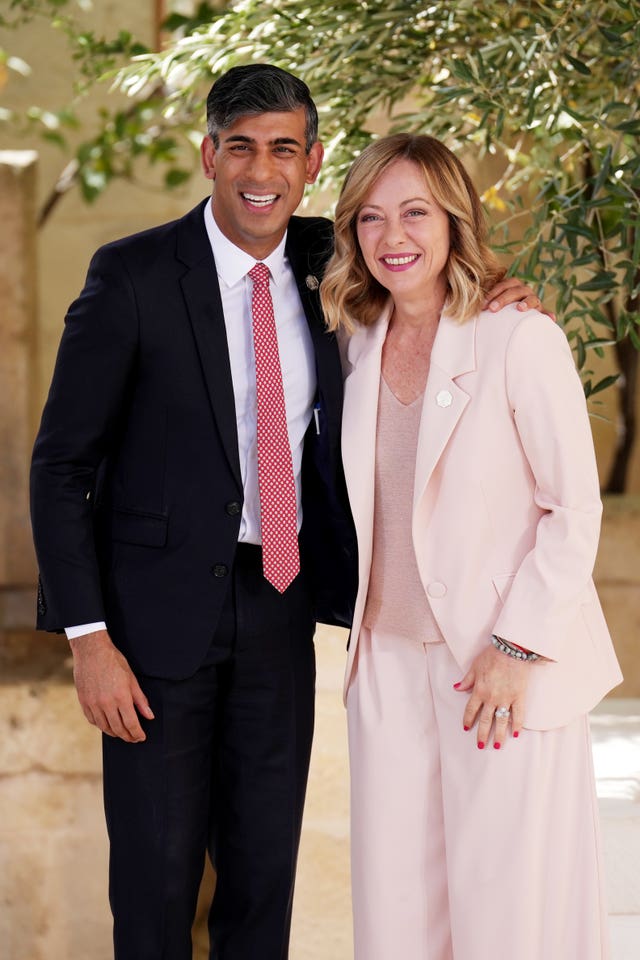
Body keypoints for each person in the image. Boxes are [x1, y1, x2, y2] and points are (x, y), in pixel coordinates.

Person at [30, 64, 544, 960]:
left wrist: (502, 294)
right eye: (238, 149)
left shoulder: (335, 263)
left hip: (280, 604)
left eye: (281, 149)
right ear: (208, 156)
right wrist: (88, 639)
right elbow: (61, 464)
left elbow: (431, 284)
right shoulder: (133, 276)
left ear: (310, 161)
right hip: (150, 631)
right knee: (153, 889)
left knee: (262, 881)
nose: (258, 170)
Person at [320, 133, 623, 960]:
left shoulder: (520, 339)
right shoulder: (353, 345)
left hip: (498, 663)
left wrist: (515, 645)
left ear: (456, 220)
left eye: (415, 212)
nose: (394, 237)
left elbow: (575, 510)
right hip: (384, 659)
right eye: (371, 218)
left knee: (506, 909)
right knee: (396, 913)